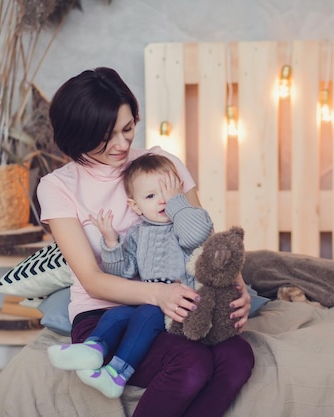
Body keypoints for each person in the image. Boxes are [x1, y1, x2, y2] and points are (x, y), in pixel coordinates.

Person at [37, 66, 254, 417]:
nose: (123, 144)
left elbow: (204, 242)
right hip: (107, 316)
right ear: (78, 135)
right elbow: (92, 280)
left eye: (128, 128)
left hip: (178, 305)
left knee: (238, 356)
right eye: (107, 136)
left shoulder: (161, 164)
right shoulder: (58, 186)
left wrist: (238, 290)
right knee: (191, 362)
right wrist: (157, 295)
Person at [48, 153, 214, 399]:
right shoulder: (137, 234)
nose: (162, 201)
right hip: (153, 302)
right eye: (151, 196)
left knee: (146, 313)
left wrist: (178, 203)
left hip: (184, 305)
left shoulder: (185, 223)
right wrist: (111, 242)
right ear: (135, 206)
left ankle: (117, 373)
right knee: (118, 313)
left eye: (167, 193)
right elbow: (122, 273)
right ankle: (94, 347)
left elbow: (197, 236)